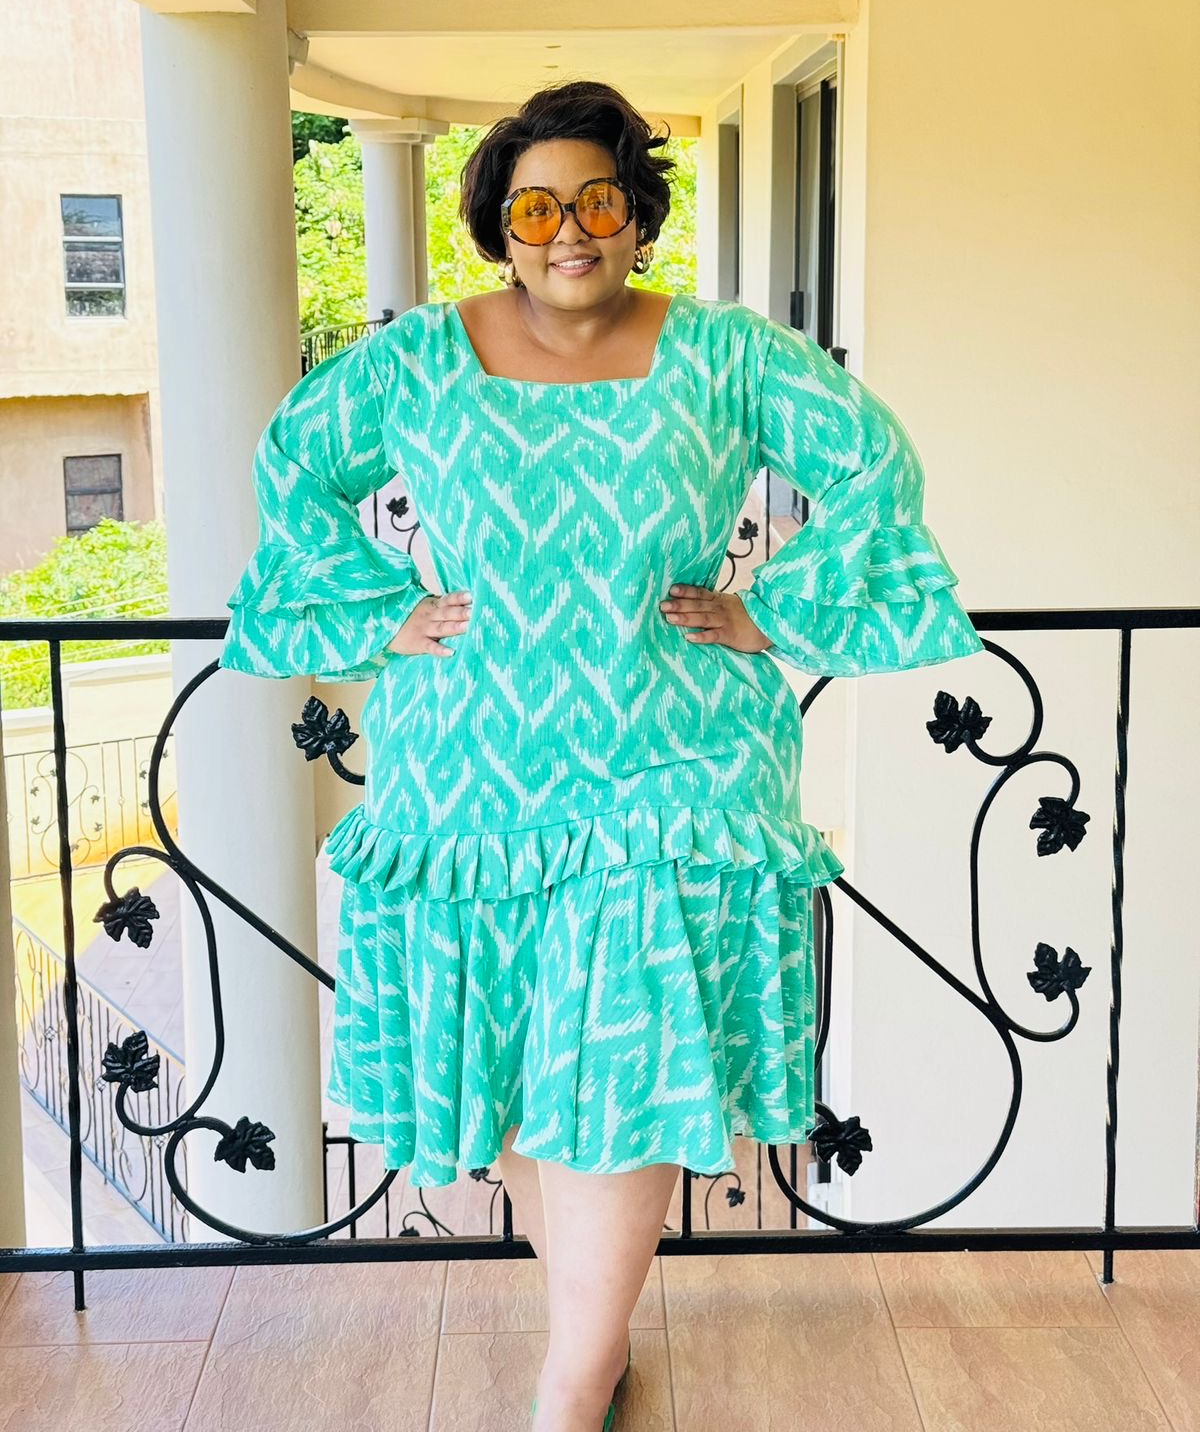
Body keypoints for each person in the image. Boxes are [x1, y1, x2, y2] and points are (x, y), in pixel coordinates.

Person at [219, 77, 984, 1431]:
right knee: (524, 1068)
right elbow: (290, 467)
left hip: (675, 767)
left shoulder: (730, 357)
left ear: (636, 214)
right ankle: (595, 1337)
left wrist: (774, 610)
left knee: (628, 1070)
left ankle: (572, 1384)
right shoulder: (412, 363)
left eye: (596, 201)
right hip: (468, 771)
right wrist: (383, 612)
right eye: (534, 209)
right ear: (496, 227)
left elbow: (875, 466)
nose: (567, 231)